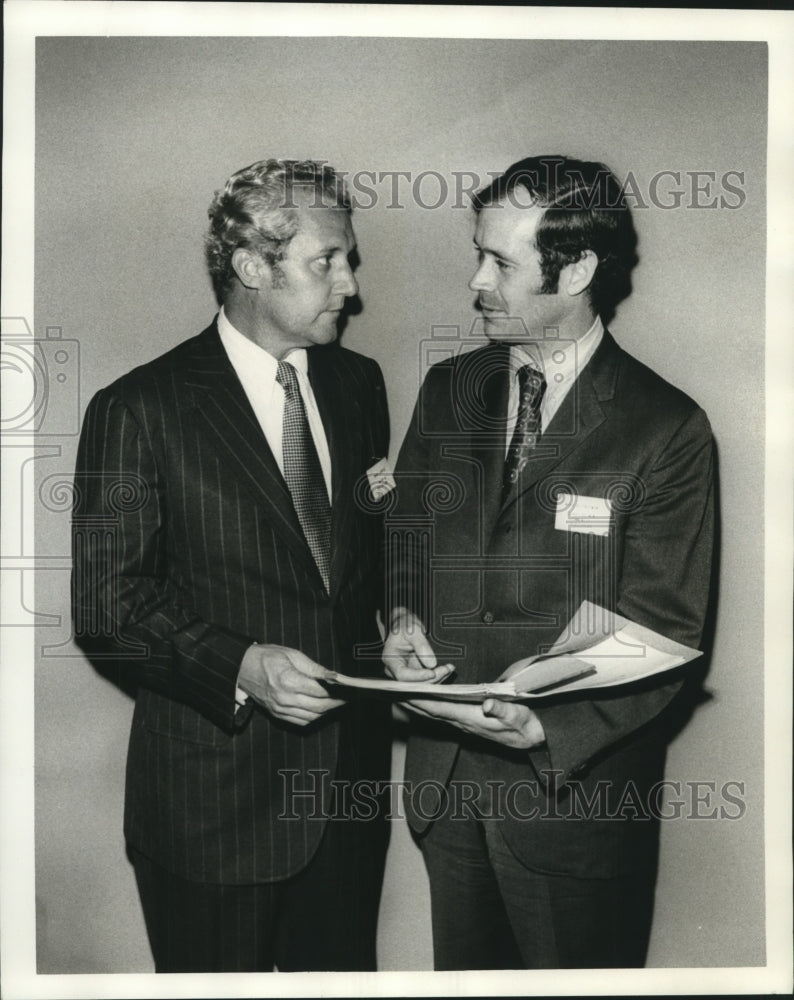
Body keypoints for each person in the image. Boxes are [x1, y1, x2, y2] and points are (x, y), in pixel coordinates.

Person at [383, 155, 715, 970]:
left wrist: (549, 725)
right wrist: (398, 620)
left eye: (501, 262)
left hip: (573, 807)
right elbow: (404, 541)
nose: (476, 281)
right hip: (448, 792)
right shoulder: (446, 388)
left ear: (577, 269)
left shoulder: (665, 428)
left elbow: (668, 626)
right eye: (480, 253)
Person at [72, 159, 391, 972]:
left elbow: (360, 564)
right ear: (253, 267)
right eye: (329, 261)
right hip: (214, 814)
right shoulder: (138, 408)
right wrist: (242, 665)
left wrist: (397, 622)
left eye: (348, 259)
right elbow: (109, 608)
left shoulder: (360, 386)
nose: (350, 285)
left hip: (347, 806)